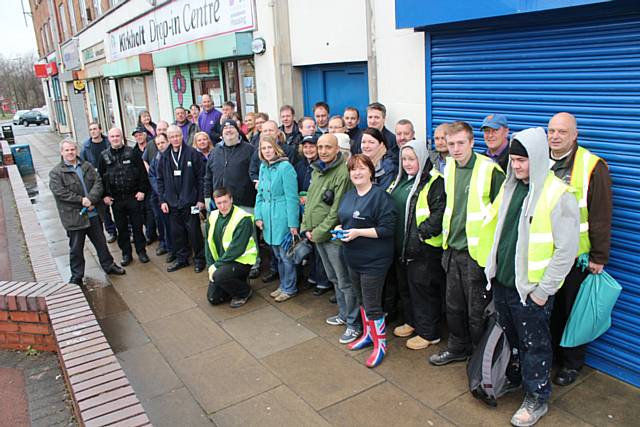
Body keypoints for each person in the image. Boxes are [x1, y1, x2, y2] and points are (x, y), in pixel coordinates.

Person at [484, 128, 579, 426]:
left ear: (537, 158)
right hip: (503, 284)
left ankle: (537, 397)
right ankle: (517, 379)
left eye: (522, 161)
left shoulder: (558, 194)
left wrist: (543, 290)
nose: (516, 166)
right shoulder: (511, 187)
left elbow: (566, 251)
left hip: (531, 291)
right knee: (513, 340)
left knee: (534, 345)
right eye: (512, 160)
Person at [429, 121, 505, 366]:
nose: (456, 148)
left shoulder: (490, 170)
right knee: (453, 306)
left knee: (476, 311)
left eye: (461, 143)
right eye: (451, 144)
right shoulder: (449, 167)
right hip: (452, 250)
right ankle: (457, 347)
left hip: (476, 254)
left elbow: (502, 216)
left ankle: (480, 358)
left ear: (472, 142)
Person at [547, 112, 613, 386]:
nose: (555, 136)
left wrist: (599, 256)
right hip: (547, 256)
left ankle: (572, 363)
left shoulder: (592, 165)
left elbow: (600, 213)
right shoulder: (542, 161)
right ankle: (549, 355)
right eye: (551, 130)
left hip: (577, 258)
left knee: (574, 312)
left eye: (562, 131)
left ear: (574, 135)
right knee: (551, 311)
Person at [337, 154, 397, 367]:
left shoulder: (381, 196)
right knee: (361, 299)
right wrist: (340, 229)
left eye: (362, 168)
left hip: (375, 260)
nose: (357, 173)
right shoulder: (349, 195)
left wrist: (358, 232)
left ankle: (380, 344)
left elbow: (388, 229)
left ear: (371, 171)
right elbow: (344, 220)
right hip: (352, 257)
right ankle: (369, 335)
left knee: (372, 303)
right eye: (353, 169)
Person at [301, 134, 360, 344]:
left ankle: (354, 324)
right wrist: (306, 226)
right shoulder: (318, 169)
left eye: (328, 147)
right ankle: (343, 315)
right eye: (320, 147)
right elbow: (311, 200)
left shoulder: (342, 173)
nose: (323, 151)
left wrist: (316, 232)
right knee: (334, 278)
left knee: (345, 281)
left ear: (337, 149)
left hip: (333, 238)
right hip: (318, 235)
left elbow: (336, 211)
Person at [390, 140, 446, 350]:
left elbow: (439, 213)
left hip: (423, 251)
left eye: (411, 159)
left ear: (422, 158)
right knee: (406, 289)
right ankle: (412, 322)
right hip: (402, 248)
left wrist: (421, 235)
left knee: (423, 292)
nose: (407, 163)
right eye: (404, 159)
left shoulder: (435, 182)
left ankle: (429, 333)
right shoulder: (401, 180)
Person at [49, 139, 126, 285]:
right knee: (76, 249)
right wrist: (81, 200)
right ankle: (77, 275)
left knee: (101, 243)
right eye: (67, 150)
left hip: (93, 214)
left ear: (76, 150)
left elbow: (98, 183)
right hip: (74, 218)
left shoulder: (86, 166)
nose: (70, 152)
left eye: (72, 149)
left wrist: (90, 199)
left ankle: (109, 265)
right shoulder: (56, 173)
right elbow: (61, 193)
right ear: (61, 152)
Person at [204, 119, 259, 276]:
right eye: (225, 128)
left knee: (249, 236)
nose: (228, 130)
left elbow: (255, 173)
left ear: (238, 131)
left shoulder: (249, 150)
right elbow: (208, 176)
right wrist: (208, 196)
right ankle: (227, 263)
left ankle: (253, 265)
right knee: (225, 236)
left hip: (244, 201)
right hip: (220, 202)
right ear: (221, 133)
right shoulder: (215, 152)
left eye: (232, 127)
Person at [255, 135, 300, 302]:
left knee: (286, 256)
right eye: (263, 148)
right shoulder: (263, 167)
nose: (266, 151)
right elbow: (259, 194)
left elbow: (292, 197)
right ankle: (283, 284)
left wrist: (293, 223)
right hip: (268, 218)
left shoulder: (285, 167)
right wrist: (258, 216)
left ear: (276, 148)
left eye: (269, 147)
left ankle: (290, 288)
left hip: (281, 216)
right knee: (278, 256)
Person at [157, 125, 206, 273]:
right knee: (177, 233)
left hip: (191, 202)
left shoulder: (192, 153)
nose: (175, 139)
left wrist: (201, 200)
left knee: (194, 232)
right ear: (169, 139)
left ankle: (199, 259)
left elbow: (201, 178)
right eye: (171, 137)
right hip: (172, 203)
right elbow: (159, 180)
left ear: (182, 136)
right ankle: (182, 259)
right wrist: (163, 200)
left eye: (177, 136)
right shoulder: (164, 156)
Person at [98, 127, 150, 266]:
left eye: (117, 136)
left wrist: (142, 190)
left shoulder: (132, 153)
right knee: (121, 228)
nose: (115, 139)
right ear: (109, 138)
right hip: (116, 199)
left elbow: (143, 174)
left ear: (122, 137)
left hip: (133, 196)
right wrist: (105, 196)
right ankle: (126, 254)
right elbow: (100, 178)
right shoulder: (103, 156)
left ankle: (141, 251)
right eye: (112, 136)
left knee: (137, 226)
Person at [207, 187, 256, 308]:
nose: (223, 206)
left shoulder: (243, 218)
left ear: (231, 200)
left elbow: (236, 249)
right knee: (213, 298)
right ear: (215, 202)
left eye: (225, 201)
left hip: (242, 260)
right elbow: (208, 243)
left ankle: (244, 292)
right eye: (219, 203)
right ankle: (237, 282)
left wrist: (217, 266)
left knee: (218, 276)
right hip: (225, 261)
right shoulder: (212, 216)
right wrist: (210, 265)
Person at [80, 122, 117, 243]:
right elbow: (83, 164)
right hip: (96, 180)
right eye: (91, 129)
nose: (93, 131)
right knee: (103, 209)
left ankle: (127, 229)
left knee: (118, 205)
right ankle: (111, 231)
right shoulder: (86, 147)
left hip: (112, 177)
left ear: (100, 130)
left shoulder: (108, 141)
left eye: (95, 129)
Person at [147, 132, 173, 259]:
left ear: (168, 142)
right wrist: (160, 192)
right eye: (158, 144)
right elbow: (152, 176)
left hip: (172, 197)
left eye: (162, 142)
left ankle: (172, 247)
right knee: (160, 221)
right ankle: (164, 243)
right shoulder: (155, 159)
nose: (161, 146)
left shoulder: (173, 156)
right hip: (158, 196)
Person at [132, 126, 158, 244]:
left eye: (140, 134)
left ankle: (151, 233)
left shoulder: (152, 146)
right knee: (144, 210)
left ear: (145, 134)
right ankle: (150, 232)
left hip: (153, 183)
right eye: (136, 136)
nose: (138, 137)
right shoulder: (133, 151)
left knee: (152, 209)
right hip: (142, 186)